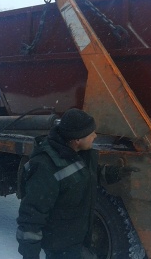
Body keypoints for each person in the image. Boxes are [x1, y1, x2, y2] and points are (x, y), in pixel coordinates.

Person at [16, 108, 139, 259]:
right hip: (60, 248)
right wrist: (30, 255)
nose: (95, 136)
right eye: (91, 133)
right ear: (77, 139)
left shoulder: (78, 153)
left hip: (77, 241)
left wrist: (115, 173)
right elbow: (32, 215)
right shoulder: (46, 167)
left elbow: (87, 174)